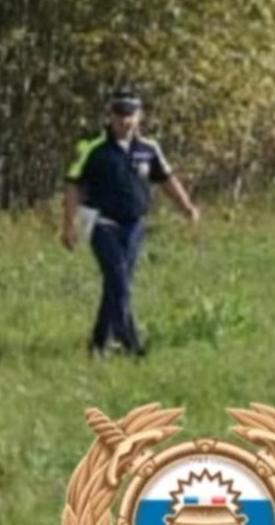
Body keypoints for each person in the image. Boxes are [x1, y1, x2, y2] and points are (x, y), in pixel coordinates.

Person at [61, 88, 200, 357]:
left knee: (117, 284)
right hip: (102, 223)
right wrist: (69, 225)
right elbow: (73, 185)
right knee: (118, 280)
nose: (124, 120)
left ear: (139, 116)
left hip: (134, 225)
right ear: (110, 116)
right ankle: (131, 344)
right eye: (119, 114)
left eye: (129, 114)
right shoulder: (93, 148)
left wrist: (187, 207)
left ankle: (99, 343)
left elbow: (166, 179)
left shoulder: (149, 148)